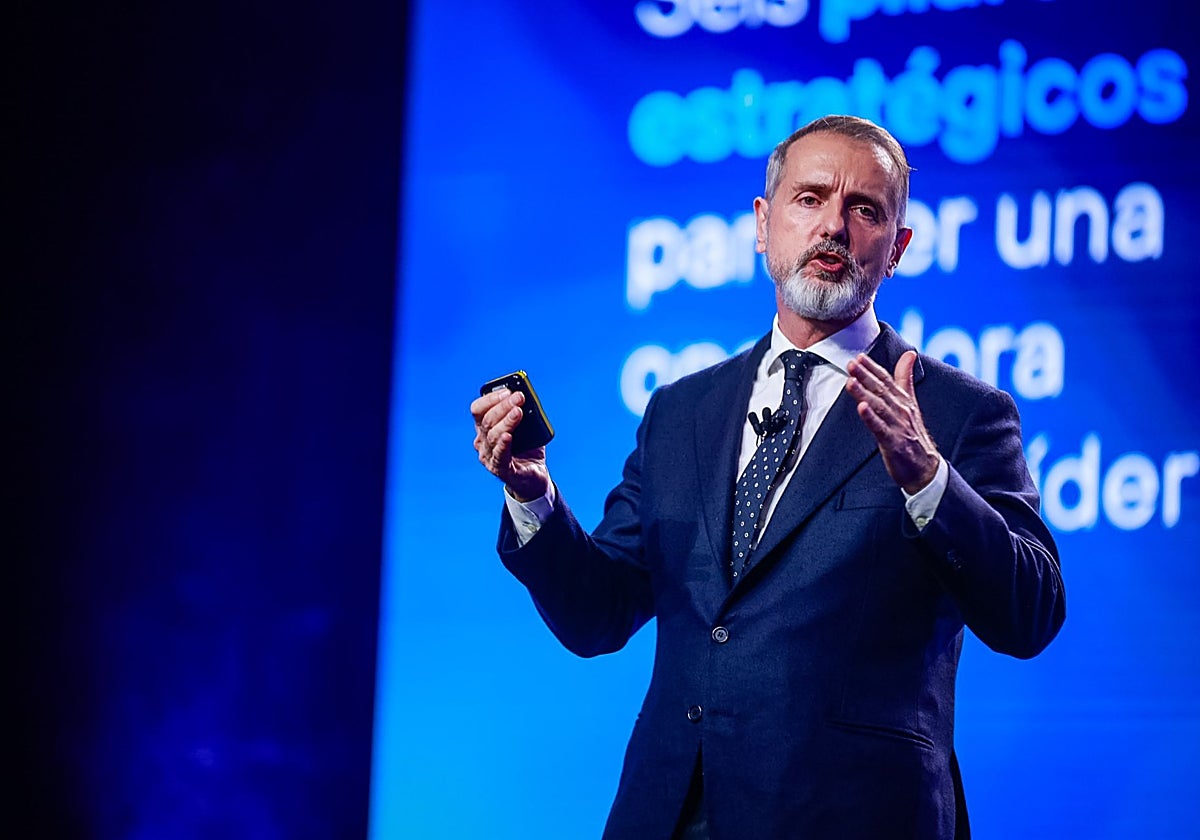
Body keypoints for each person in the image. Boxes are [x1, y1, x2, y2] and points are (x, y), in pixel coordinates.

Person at [470, 115, 1065, 840]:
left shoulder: (958, 413)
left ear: (898, 248)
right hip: (671, 814)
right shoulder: (682, 411)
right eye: (810, 199)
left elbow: (1031, 613)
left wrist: (928, 479)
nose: (834, 227)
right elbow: (600, 611)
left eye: (865, 209)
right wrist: (533, 493)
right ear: (762, 224)